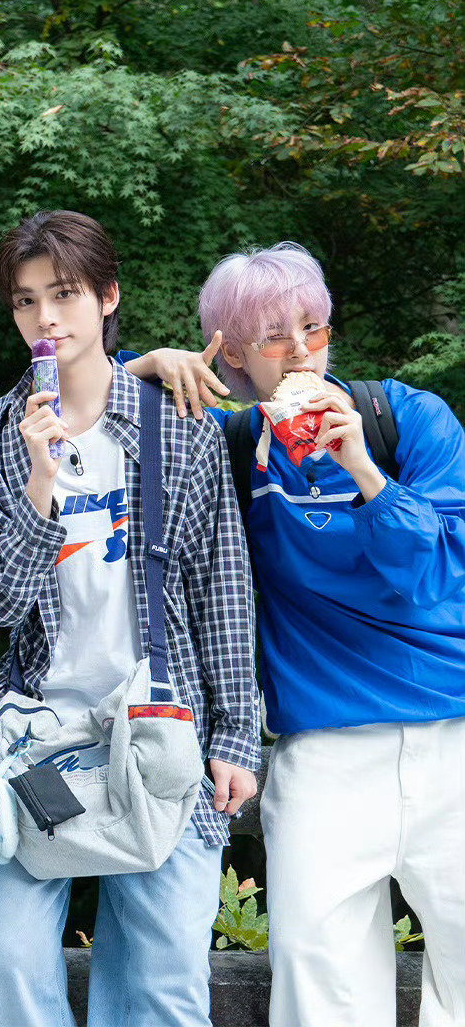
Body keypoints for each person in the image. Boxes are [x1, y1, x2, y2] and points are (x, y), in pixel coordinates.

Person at [0, 211, 260, 1027]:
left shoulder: (177, 424)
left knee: (164, 986)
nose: (45, 318)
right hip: (35, 742)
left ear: (107, 296)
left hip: (160, 731)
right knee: (18, 975)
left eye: (64, 294)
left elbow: (222, 586)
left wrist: (236, 735)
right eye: (25, 301)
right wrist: (40, 485)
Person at [159, 242, 463, 1027]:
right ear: (233, 355)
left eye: (313, 329)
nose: (300, 351)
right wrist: (149, 365)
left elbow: (433, 576)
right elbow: (86, 405)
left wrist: (365, 470)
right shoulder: (227, 446)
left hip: (453, 735)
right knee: (322, 992)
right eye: (272, 337)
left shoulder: (409, 419)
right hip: (322, 751)